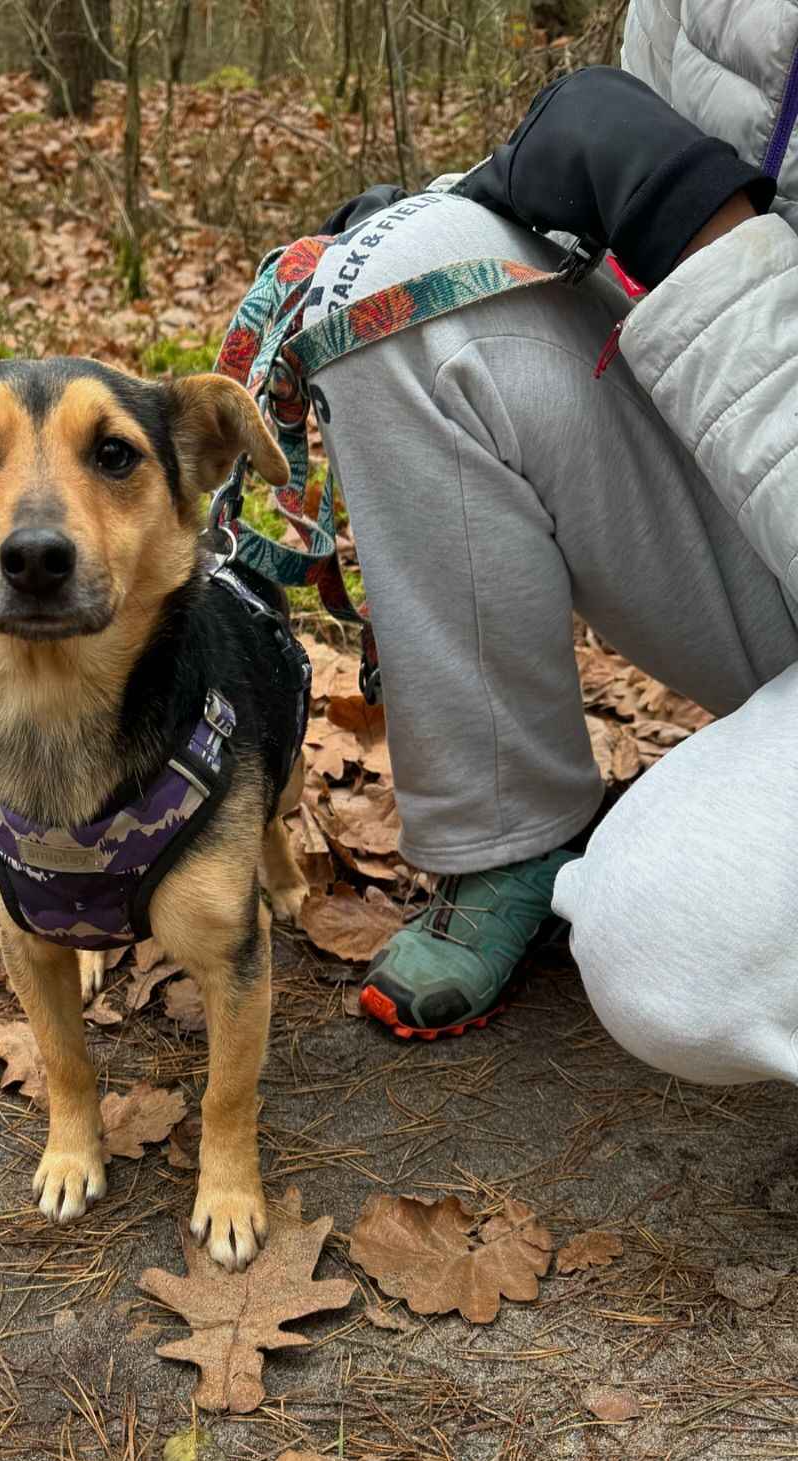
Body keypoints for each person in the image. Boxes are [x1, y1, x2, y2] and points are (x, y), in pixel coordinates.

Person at [305, 5, 798, 1086]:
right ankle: (509, 836)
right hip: (758, 503)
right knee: (395, 282)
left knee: (671, 946)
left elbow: (693, 246)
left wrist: (701, 227)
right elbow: (631, 280)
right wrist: (477, 234)